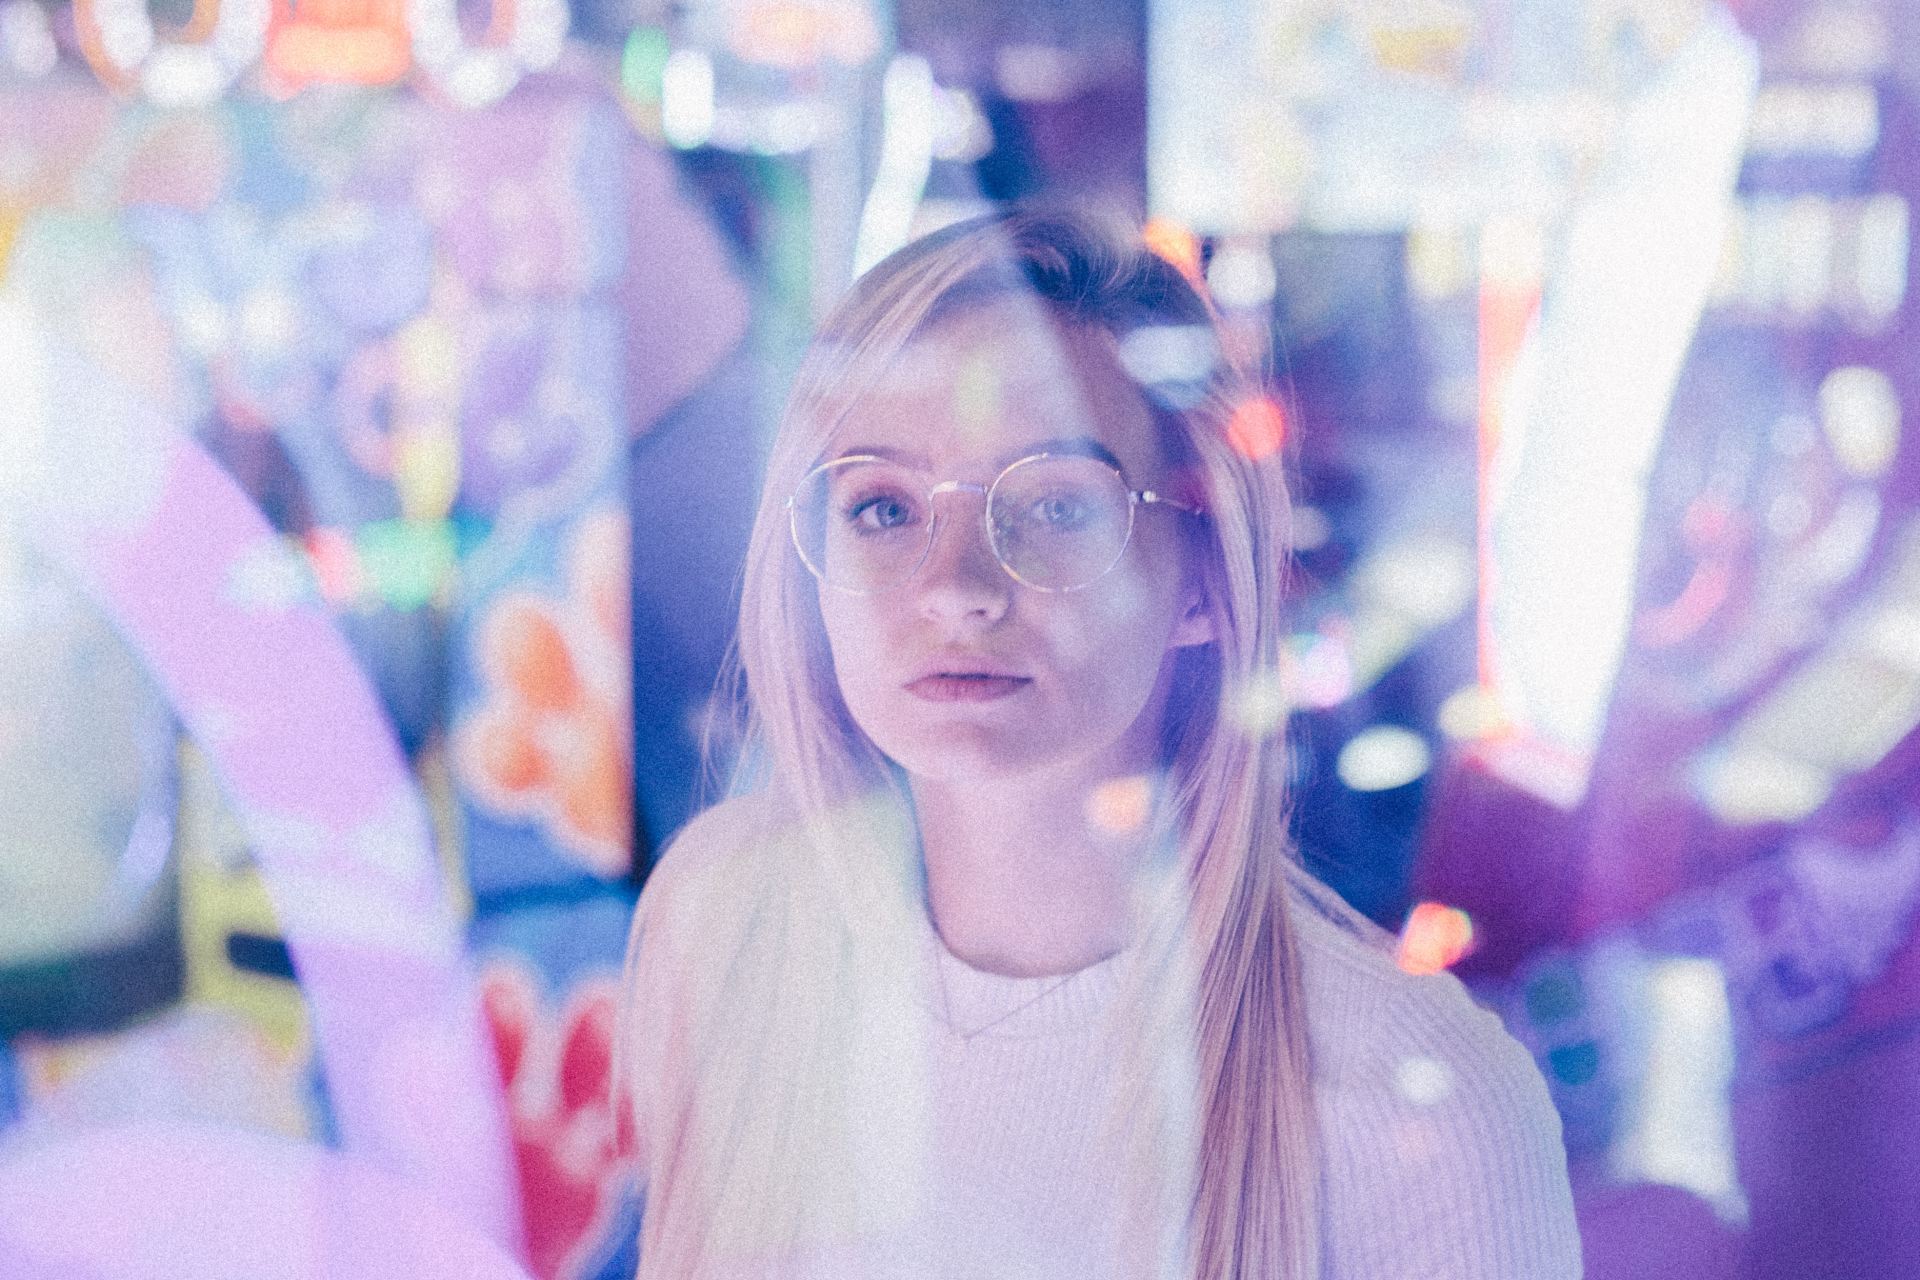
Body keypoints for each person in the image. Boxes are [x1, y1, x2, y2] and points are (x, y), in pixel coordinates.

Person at [617, 210, 1580, 1280]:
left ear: (1203, 579)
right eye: (883, 506)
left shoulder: (1411, 1102)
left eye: (1057, 507)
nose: (956, 588)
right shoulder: (728, 928)